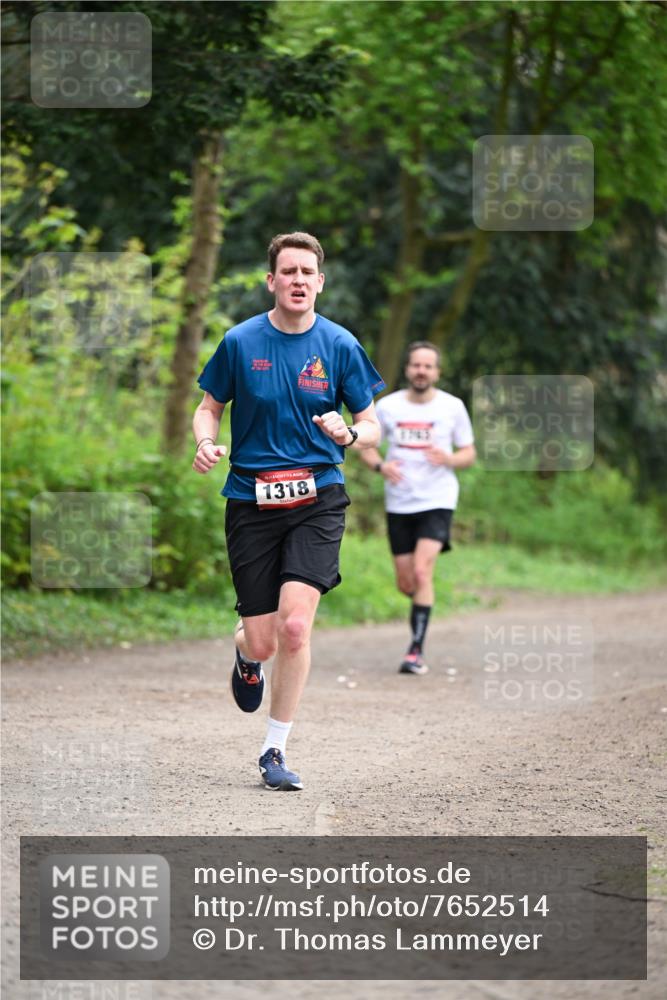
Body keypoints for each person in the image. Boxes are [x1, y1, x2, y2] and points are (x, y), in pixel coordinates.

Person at [192, 232, 384, 790]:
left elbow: (371, 425)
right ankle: (244, 653)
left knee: (296, 627)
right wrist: (205, 441)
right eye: (288, 271)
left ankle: (273, 751)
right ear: (272, 280)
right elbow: (208, 408)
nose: (298, 280)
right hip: (250, 499)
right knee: (264, 640)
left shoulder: (340, 345)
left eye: (308, 272)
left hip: (317, 497)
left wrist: (348, 432)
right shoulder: (239, 341)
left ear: (320, 282)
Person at [359, 342, 475, 675]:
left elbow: (469, 452)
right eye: (416, 365)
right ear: (407, 370)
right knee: (406, 582)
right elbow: (366, 447)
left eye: (428, 366)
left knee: (423, 572)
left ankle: (415, 652)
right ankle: (418, 613)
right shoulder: (387, 406)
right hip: (399, 502)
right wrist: (381, 467)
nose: (421, 371)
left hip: (438, 499)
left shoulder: (452, 407)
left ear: (437, 372)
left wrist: (449, 458)